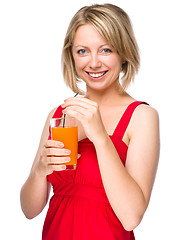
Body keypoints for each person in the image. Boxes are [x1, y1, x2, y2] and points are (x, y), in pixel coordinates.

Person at [20, 3, 160, 240]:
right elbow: (29, 210)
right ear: (71, 56)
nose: (93, 63)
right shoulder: (59, 115)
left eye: (106, 50)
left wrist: (100, 137)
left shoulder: (141, 117)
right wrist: (39, 171)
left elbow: (131, 217)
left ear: (124, 53)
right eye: (82, 51)